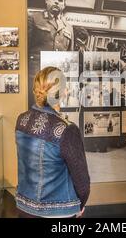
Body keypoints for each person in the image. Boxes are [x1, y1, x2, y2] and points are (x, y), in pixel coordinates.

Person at [15, 66, 90, 218]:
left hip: (23, 207)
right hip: (57, 212)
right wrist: (79, 205)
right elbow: (82, 182)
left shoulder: (21, 120)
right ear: (63, 93)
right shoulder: (67, 129)